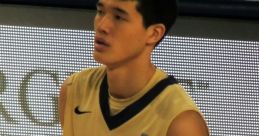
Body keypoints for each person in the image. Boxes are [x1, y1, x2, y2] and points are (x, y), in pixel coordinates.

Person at [58, 0, 209, 135]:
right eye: (100, 12)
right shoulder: (73, 89)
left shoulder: (182, 123)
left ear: (154, 33)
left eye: (118, 17)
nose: (102, 26)